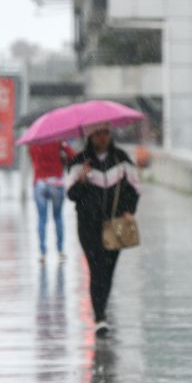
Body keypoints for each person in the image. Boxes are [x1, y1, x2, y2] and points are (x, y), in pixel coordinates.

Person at [65, 123, 140, 336]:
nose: (102, 137)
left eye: (105, 132)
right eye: (97, 133)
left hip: (116, 224)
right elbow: (71, 194)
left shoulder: (121, 159)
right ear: (91, 136)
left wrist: (129, 210)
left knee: (108, 270)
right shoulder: (79, 162)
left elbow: (135, 188)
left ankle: (102, 309)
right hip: (88, 225)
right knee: (96, 269)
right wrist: (83, 178)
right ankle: (99, 317)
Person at [29, 141, 75, 262]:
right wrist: (61, 157)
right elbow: (72, 156)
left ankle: (43, 253)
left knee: (42, 219)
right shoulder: (58, 140)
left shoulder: (33, 142)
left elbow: (33, 160)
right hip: (56, 182)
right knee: (58, 217)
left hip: (39, 182)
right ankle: (60, 251)